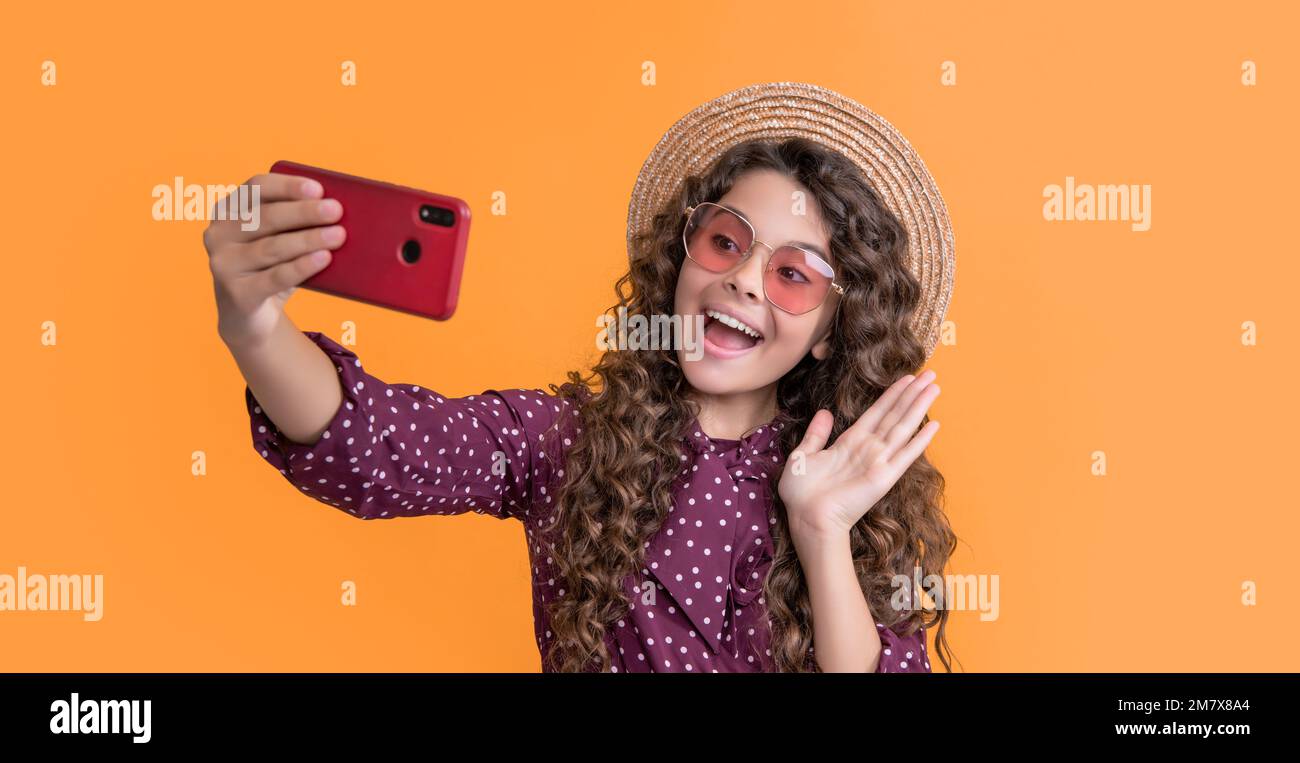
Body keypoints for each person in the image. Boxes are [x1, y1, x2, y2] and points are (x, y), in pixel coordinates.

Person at [206, 82, 958, 673]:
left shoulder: (858, 491)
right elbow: (379, 445)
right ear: (682, 260)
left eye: (794, 274)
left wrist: (821, 530)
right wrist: (256, 329)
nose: (748, 282)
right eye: (726, 241)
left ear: (832, 331)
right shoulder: (566, 440)